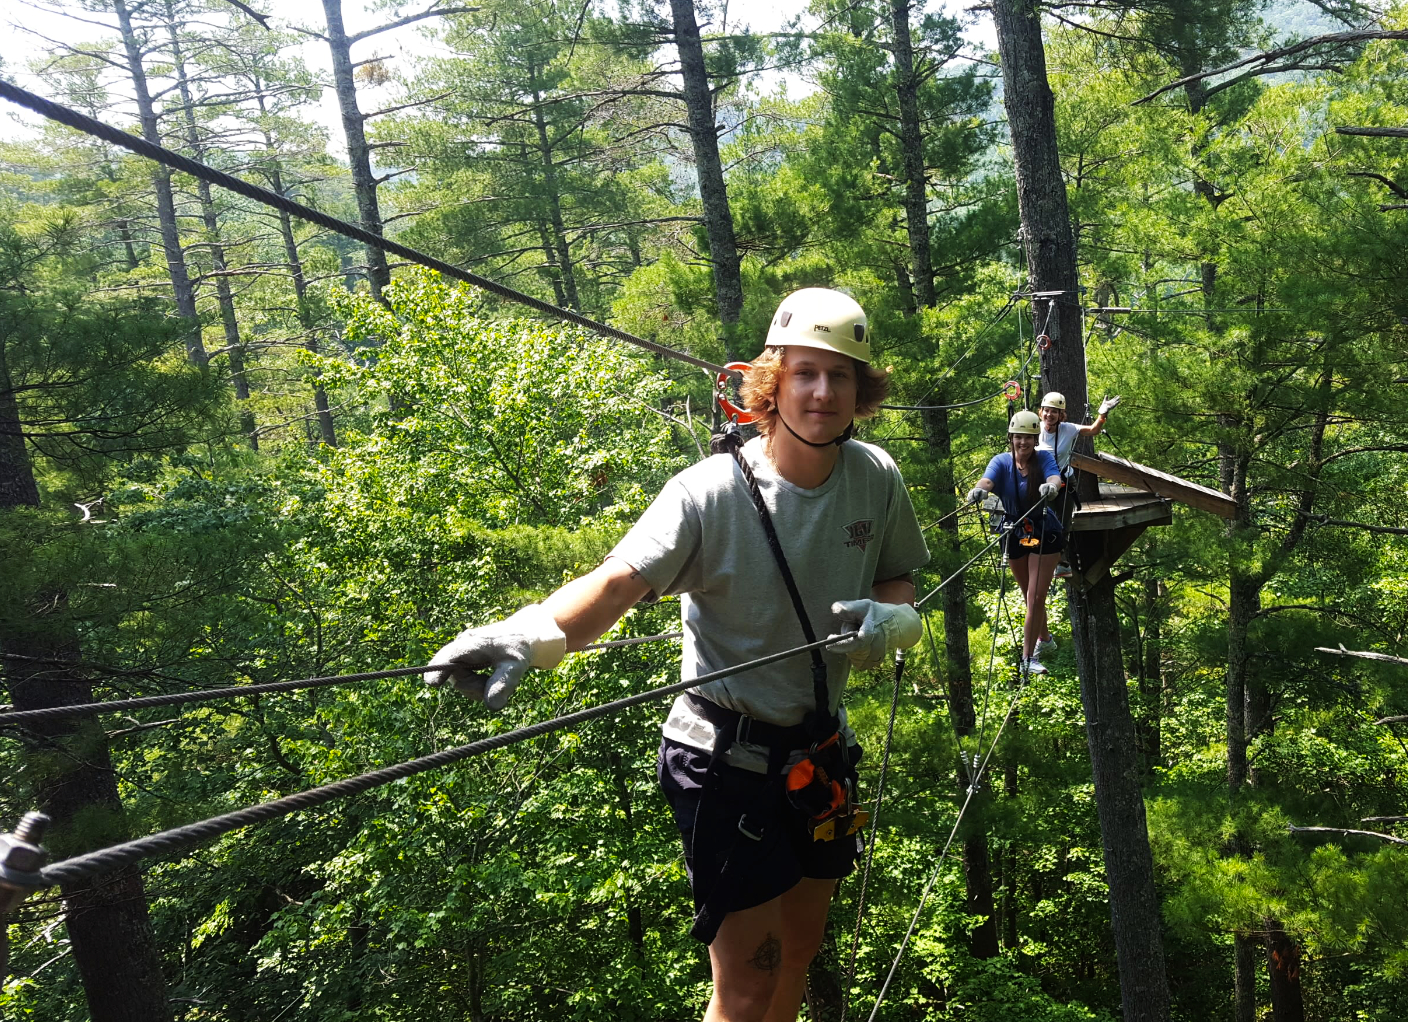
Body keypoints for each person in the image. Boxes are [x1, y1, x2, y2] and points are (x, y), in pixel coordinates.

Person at [423, 287, 930, 1022]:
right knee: (746, 985)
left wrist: (894, 620)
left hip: (817, 750)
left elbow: (897, 576)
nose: (823, 392)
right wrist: (529, 635)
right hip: (728, 760)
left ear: (861, 390)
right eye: (805, 373)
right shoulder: (708, 494)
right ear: (773, 381)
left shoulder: (874, 476)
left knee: (800, 947)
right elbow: (618, 581)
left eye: (841, 375)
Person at [966, 409, 1062, 676]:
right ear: (1011, 437)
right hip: (1015, 533)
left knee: (1035, 596)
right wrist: (980, 489)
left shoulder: (1043, 458)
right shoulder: (1001, 462)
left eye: (1029, 438)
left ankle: (1027, 658)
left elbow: (1054, 476)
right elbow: (988, 479)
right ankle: (1045, 639)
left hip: (1045, 532)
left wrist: (1051, 486)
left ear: (1035, 440)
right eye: (1019, 437)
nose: (1024, 443)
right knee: (1028, 594)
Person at [1036, 391, 1119, 582]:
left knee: (1062, 523)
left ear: (1061, 415)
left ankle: (1061, 559)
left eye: (1054, 412)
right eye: (1047, 411)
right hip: (1041, 483)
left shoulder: (1068, 429)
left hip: (1064, 482)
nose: (1049, 415)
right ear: (1041, 413)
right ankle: (1047, 556)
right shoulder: (1034, 429)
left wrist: (1102, 414)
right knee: (1042, 520)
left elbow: (1093, 431)